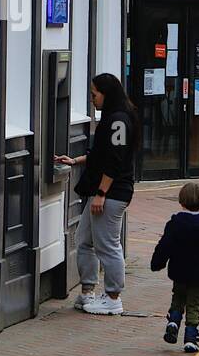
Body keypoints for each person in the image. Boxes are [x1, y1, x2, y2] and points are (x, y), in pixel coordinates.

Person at [56, 73, 138, 316]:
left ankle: (113, 298)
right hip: (102, 191)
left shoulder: (118, 121)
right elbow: (103, 154)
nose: (92, 99)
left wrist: (102, 193)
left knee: (108, 246)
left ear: (107, 93)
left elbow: (114, 160)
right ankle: (88, 291)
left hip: (110, 194)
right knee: (84, 241)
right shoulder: (115, 119)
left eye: (94, 94)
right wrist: (76, 161)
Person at [150, 181, 199, 354]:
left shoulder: (175, 223)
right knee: (194, 304)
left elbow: (164, 245)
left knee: (178, 296)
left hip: (179, 271)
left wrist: (157, 263)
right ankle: (190, 338)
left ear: (181, 201)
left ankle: (174, 320)